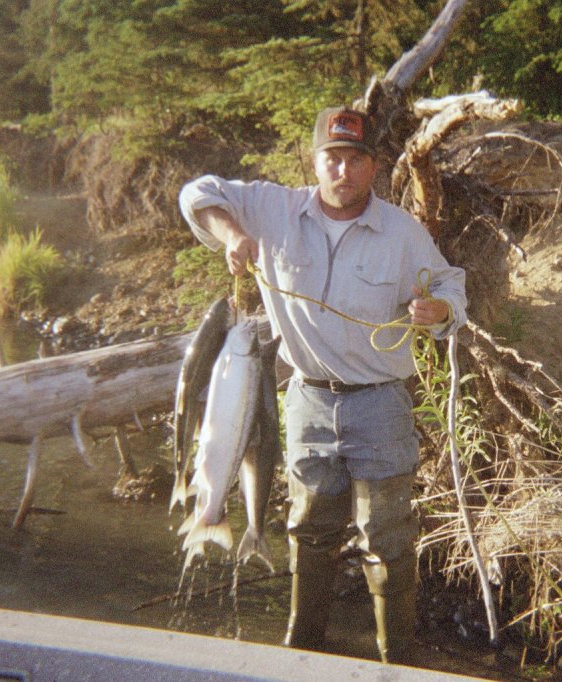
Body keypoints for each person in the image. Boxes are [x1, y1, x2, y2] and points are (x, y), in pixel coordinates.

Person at [179, 106, 467, 664]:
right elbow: (197, 192)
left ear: (374, 167)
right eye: (332, 157)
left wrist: (439, 310)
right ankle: (301, 650)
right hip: (307, 400)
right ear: (314, 161)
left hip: (381, 402)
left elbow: (453, 287)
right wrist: (234, 233)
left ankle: (396, 657)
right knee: (309, 528)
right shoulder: (272, 208)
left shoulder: (402, 233)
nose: (343, 170)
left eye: (355, 159)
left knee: (384, 537)